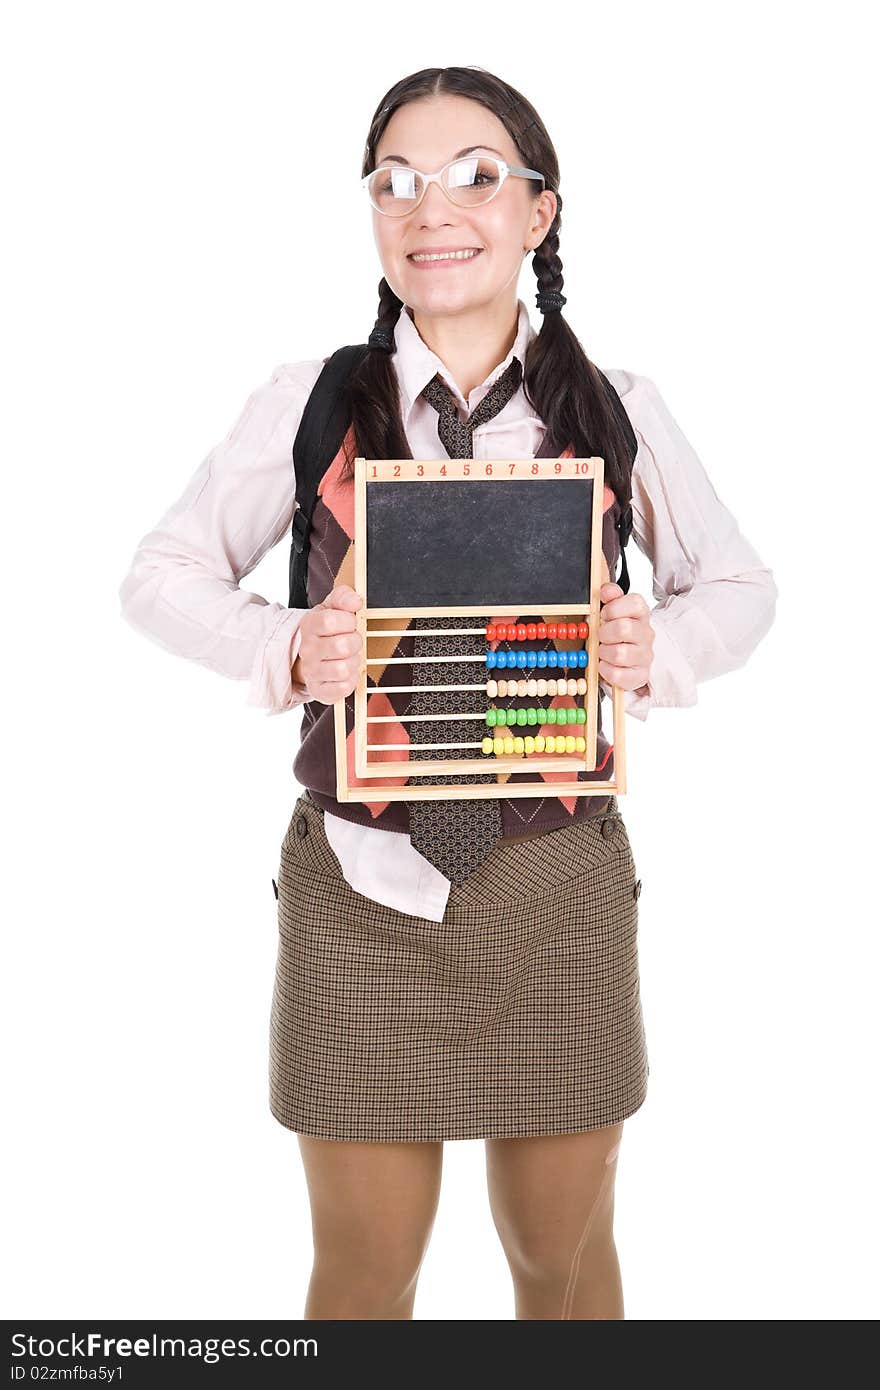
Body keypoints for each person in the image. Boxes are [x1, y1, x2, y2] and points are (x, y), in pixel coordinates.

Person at [118, 66, 777, 1320]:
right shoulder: (312, 405)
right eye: (396, 183)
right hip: (361, 886)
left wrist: (659, 653)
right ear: (372, 215)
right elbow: (160, 575)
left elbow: (738, 586)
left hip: (559, 879)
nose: (434, 207)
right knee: (364, 1277)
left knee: (561, 1264)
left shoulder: (612, 410)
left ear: (539, 212)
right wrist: (289, 649)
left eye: (478, 175)